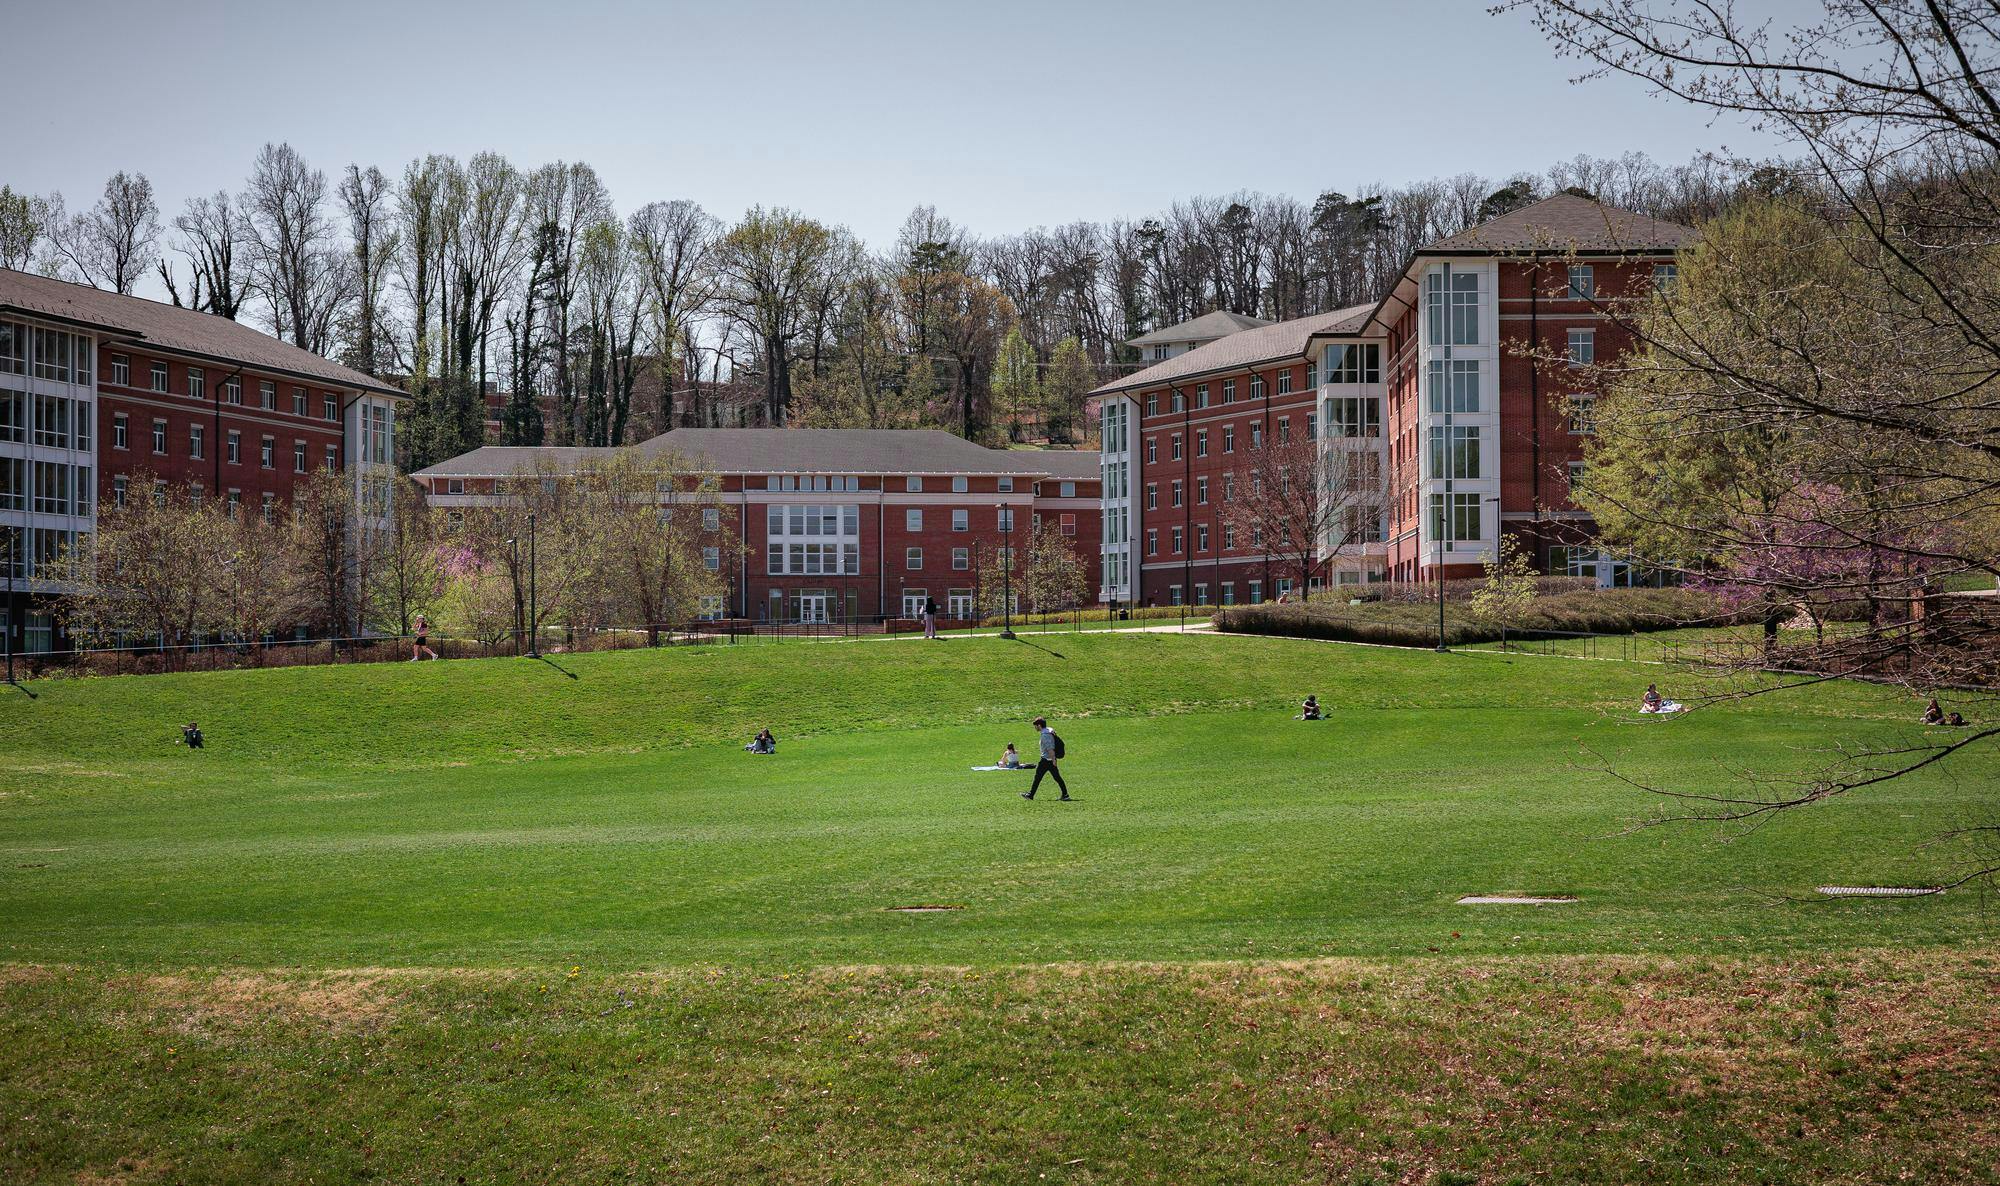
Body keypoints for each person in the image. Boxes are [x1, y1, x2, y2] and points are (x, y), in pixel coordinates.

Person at [1021, 716, 1070, 801]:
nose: (1035, 727)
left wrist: (1053, 759)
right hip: (1049, 759)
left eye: (1035, 726)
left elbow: (1050, 748)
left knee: (1038, 777)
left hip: (1047, 760)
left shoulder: (1045, 735)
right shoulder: (1049, 730)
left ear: (1039, 725)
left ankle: (1030, 795)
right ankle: (1065, 795)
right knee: (1056, 777)